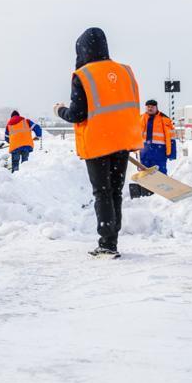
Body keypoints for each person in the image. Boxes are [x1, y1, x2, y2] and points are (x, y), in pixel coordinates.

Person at [55, 27, 143, 259]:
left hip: (98, 143)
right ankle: (112, 240)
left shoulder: (83, 75)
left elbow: (77, 114)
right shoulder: (125, 71)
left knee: (102, 192)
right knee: (115, 192)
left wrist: (59, 110)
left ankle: (107, 244)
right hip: (122, 141)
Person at [133, 99, 177, 198]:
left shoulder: (164, 119)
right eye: (148, 107)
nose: (150, 108)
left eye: (152, 107)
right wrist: (133, 148)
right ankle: (146, 193)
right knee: (144, 173)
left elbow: (171, 137)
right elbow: (135, 134)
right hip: (144, 151)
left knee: (160, 173)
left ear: (156, 107)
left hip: (159, 151)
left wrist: (172, 153)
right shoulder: (140, 118)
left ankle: (160, 194)